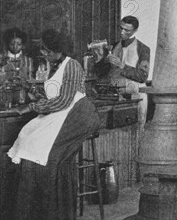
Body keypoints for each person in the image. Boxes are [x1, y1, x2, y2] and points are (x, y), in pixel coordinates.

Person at [6, 29, 100, 220]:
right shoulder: (54, 65)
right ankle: (33, 209)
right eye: (44, 50)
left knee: (44, 151)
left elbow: (64, 100)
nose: (45, 54)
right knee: (27, 137)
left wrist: (31, 107)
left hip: (77, 115)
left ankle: (52, 211)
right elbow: (52, 96)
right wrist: (29, 87)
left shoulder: (72, 65)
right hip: (61, 112)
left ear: (60, 50)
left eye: (49, 51)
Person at [93, 15, 151, 126]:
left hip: (136, 97)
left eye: (127, 30)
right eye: (121, 28)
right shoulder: (113, 46)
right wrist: (102, 60)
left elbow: (142, 76)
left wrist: (121, 65)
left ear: (135, 30)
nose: (122, 32)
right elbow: (101, 73)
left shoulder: (143, 49)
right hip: (115, 99)